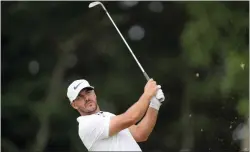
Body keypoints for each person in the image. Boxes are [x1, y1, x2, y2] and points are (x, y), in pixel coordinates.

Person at [67, 78, 165, 151]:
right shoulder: (86, 125)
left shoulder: (108, 116)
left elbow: (140, 133)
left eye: (88, 92)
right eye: (80, 97)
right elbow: (131, 117)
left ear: (94, 94)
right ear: (74, 105)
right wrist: (147, 94)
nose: (87, 98)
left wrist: (154, 104)